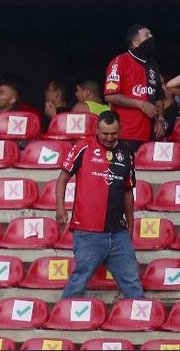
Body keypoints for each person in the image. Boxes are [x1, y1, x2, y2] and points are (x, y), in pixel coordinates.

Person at [57, 110, 144, 299]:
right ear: (96, 129)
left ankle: (138, 321)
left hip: (118, 231)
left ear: (120, 130)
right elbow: (62, 179)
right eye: (105, 133)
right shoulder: (83, 147)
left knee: (132, 281)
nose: (109, 138)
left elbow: (128, 191)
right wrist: (60, 209)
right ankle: (64, 321)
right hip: (88, 231)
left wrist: (131, 223)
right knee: (79, 280)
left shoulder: (127, 152)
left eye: (113, 133)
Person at [105, 24, 164, 145]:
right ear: (135, 43)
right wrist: (141, 104)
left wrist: (161, 118)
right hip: (125, 135)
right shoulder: (119, 62)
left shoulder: (153, 64)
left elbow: (159, 97)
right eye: (147, 35)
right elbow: (110, 96)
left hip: (150, 135)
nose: (151, 37)